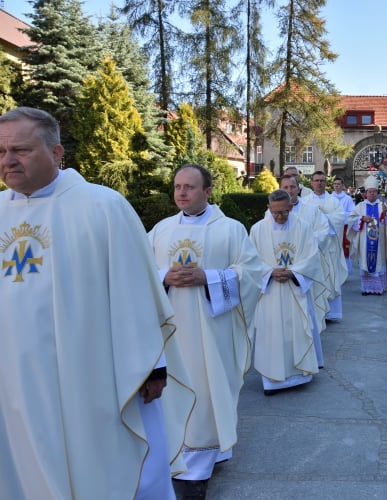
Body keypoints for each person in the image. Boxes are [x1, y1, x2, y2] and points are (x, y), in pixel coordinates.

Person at [0, 107, 194, 499]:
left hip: (91, 377)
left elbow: (136, 290)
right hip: (14, 380)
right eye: (1, 151)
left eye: (20, 149)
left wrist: (153, 368)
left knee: (109, 468)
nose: (8, 160)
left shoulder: (101, 206)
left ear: (56, 154)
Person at [148, 164, 262, 497]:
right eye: (178, 186)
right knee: (175, 390)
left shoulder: (230, 229)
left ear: (208, 191)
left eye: (190, 187)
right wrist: (163, 277)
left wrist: (209, 278)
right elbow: (140, 269)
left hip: (213, 330)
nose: (181, 192)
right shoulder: (160, 230)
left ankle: (200, 465)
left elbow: (251, 273)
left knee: (209, 389)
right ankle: (183, 457)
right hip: (171, 330)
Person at [250, 190, 324, 395]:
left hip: (295, 289)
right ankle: (272, 380)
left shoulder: (304, 228)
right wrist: (269, 272)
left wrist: (293, 273)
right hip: (270, 290)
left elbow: (312, 256)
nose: (280, 217)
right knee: (271, 332)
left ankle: (299, 374)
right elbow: (251, 261)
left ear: (291, 207)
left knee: (297, 328)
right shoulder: (257, 230)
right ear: (269, 208)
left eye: (284, 212)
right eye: (275, 213)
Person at [278, 174, 329, 364]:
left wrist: (302, 247)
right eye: (285, 188)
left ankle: (309, 358)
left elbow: (323, 233)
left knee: (307, 315)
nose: (289, 191)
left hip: (303, 273)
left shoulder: (311, 211)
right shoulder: (271, 213)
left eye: (292, 187)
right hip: (279, 276)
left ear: (299, 189)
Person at [303, 170, 348, 322]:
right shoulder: (305, 201)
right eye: (316, 180)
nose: (319, 183)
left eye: (322, 180)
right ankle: (317, 311)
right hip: (313, 246)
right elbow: (301, 223)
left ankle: (331, 313)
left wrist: (323, 217)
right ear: (312, 182)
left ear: (325, 182)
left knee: (331, 276)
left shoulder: (333, 201)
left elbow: (340, 218)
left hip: (330, 245)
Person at [347, 175, 387, 295]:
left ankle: (379, 288)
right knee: (366, 261)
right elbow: (351, 219)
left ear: (377, 193)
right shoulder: (361, 206)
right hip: (364, 242)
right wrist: (362, 218)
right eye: (370, 191)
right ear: (365, 193)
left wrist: (386, 213)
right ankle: (366, 289)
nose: (372, 194)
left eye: (374, 191)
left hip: (379, 242)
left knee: (378, 261)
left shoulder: (382, 205)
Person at [331, 176, 355, 272]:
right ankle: (335, 271)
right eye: (335, 184)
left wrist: (340, 215)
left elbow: (352, 213)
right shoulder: (329, 198)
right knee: (334, 249)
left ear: (342, 186)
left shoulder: (347, 199)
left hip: (344, 227)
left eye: (338, 184)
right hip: (332, 228)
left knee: (344, 249)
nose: (336, 186)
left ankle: (345, 271)